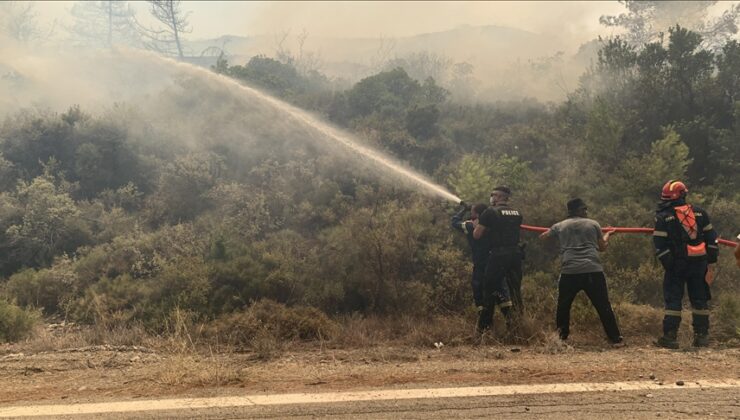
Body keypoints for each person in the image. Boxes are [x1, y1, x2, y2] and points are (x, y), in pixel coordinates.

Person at [539, 198, 624, 346]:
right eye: (584, 209)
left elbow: (543, 237)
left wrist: (556, 235)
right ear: (578, 210)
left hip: (569, 271)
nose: (586, 211)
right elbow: (602, 247)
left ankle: (561, 338)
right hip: (592, 270)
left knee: (563, 305)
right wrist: (609, 234)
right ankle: (615, 338)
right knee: (603, 305)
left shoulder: (560, 225)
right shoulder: (593, 224)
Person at [653, 180, 719, 349]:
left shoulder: (663, 217)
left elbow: (659, 244)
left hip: (677, 265)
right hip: (699, 263)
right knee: (699, 299)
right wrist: (709, 262)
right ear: (684, 194)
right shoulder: (700, 213)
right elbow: (712, 240)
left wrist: (669, 265)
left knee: (673, 300)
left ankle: (670, 337)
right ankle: (702, 337)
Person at [473, 186, 523, 333]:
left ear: (500, 197)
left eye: (493, 195)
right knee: (515, 291)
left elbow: (477, 235)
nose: (491, 198)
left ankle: (484, 329)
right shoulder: (517, 213)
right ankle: (519, 327)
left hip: (498, 255)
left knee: (489, 289)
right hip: (515, 255)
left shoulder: (490, 212)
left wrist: (477, 225)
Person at [451, 202, 491, 308]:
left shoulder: (469, 226)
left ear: (477, 215)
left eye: (472, 211)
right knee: (496, 287)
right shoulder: (492, 225)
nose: (470, 212)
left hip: (479, 261)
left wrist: (464, 209)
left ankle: (482, 314)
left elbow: (454, 221)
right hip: (494, 260)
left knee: (477, 286)